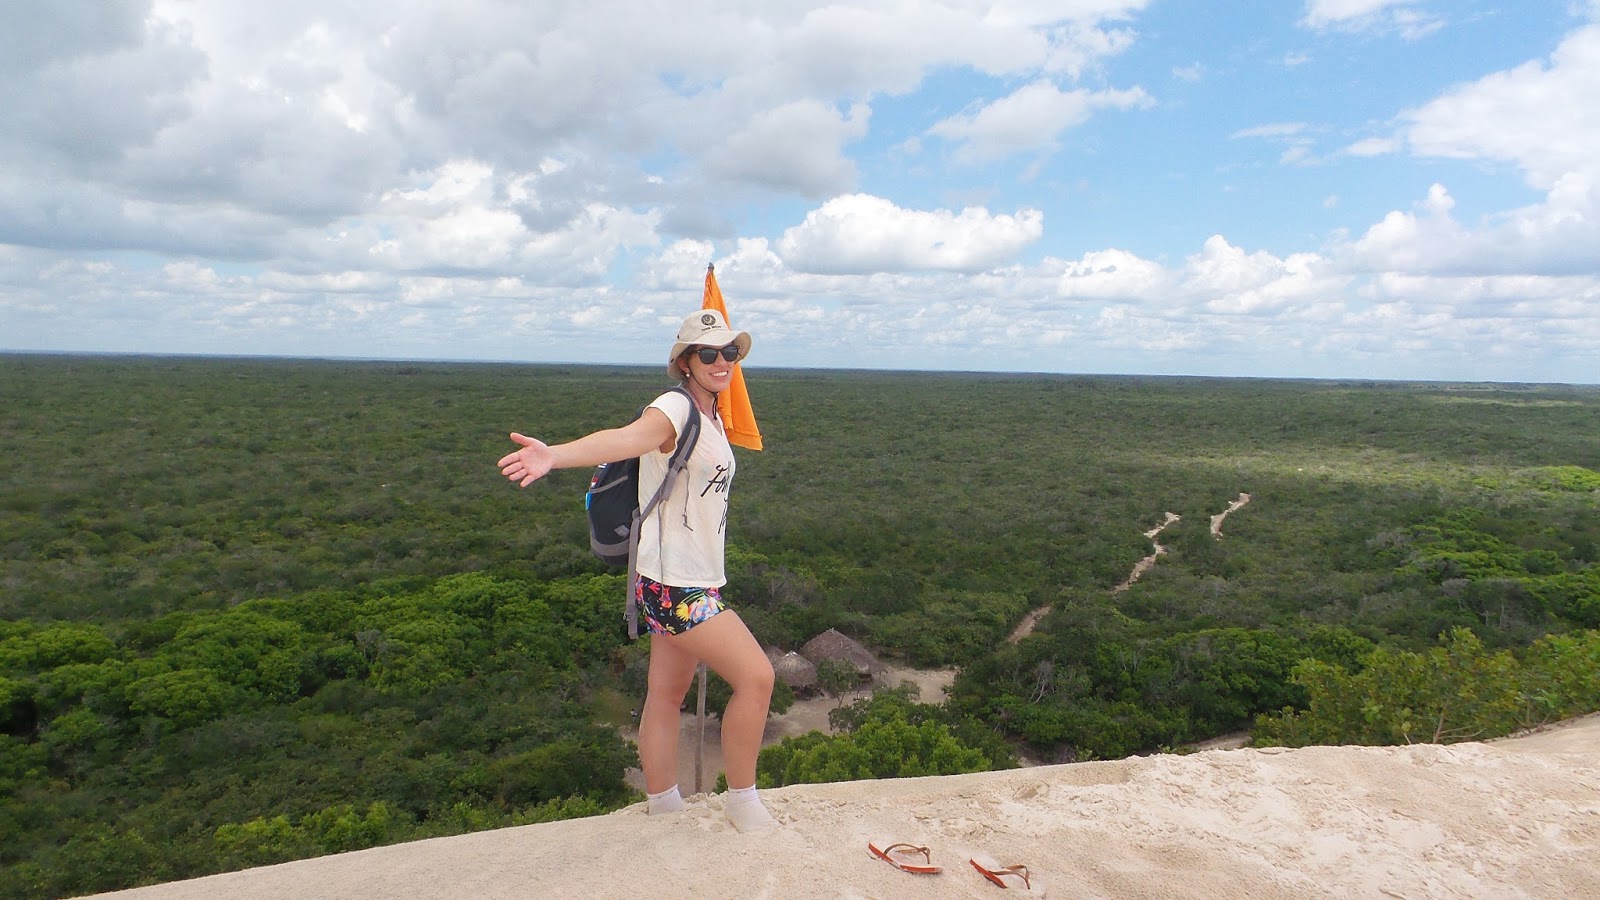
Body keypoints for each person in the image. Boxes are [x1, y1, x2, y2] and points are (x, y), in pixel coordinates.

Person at [497, 309, 778, 833]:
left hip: (677, 576)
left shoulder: (712, 415)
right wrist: (554, 456)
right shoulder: (673, 407)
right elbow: (626, 438)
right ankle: (743, 803)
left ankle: (664, 804)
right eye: (709, 353)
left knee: (666, 696)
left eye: (730, 353)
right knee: (757, 677)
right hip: (676, 584)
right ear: (685, 362)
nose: (722, 362)